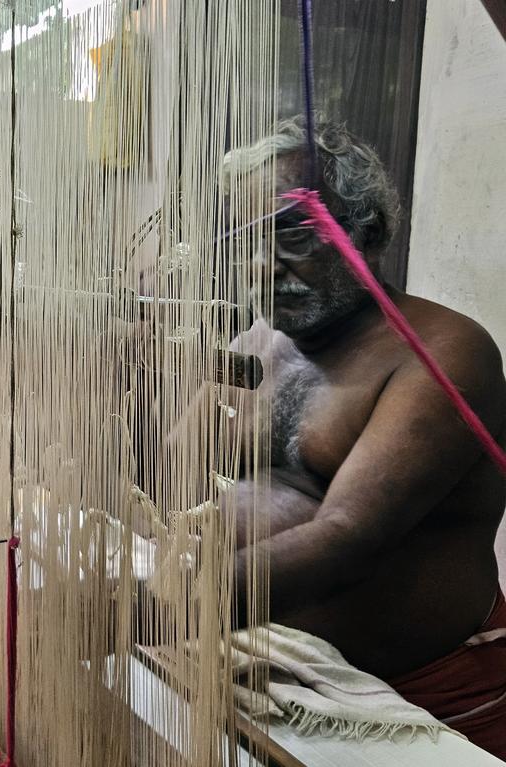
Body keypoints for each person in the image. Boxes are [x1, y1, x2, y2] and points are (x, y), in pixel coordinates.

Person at [221, 117, 506, 756]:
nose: (262, 266)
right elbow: (176, 467)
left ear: (366, 231)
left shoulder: (444, 353)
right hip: (278, 673)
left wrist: (166, 602)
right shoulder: (257, 343)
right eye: (244, 241)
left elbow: (347, 537)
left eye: (292, 233)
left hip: (419, 703)